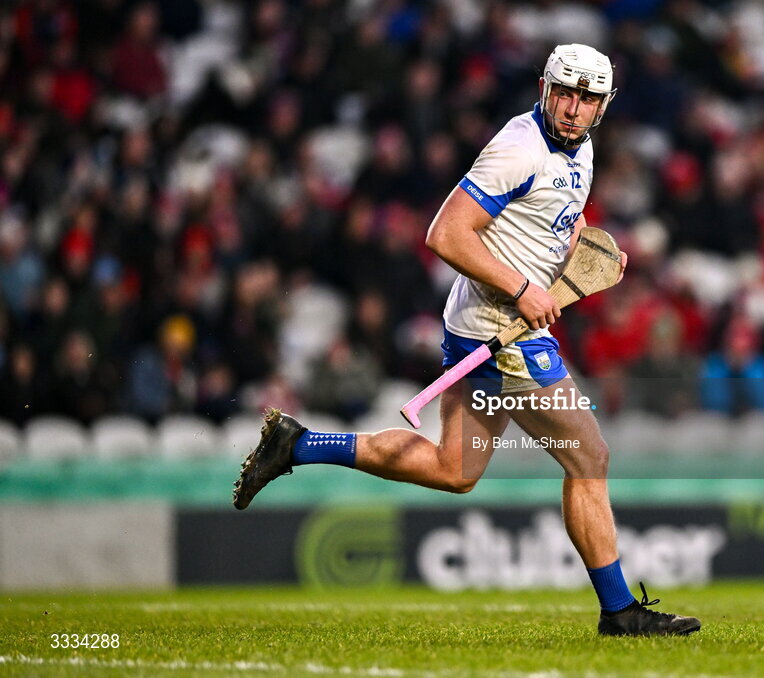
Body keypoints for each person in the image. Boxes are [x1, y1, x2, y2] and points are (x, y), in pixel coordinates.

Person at [233, 44, 701, 637]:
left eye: (587, 99)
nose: (573, 108)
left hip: (479, 323)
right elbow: (445, 233)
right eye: (565, 92)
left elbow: (552, 210)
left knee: (454, 469)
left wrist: (579, 243)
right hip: (501, 327)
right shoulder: (518, 147)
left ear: (603, 106)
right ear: (543, 86)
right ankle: (618, 612)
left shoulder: (581, 146)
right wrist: (524, 288)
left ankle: (298, 444)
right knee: (589, 456)